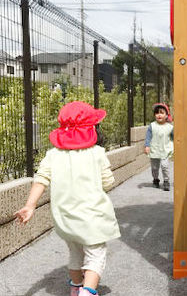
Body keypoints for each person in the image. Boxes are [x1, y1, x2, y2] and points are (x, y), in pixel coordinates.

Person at [14, 101, 120, 296]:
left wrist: (30, 205)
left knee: (75, 253)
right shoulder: (97, 153)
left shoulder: (53, 154)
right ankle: (87, 292)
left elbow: (41, 179)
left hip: (65, 218)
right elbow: (108, 182)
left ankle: (76, 287)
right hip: (92, 217)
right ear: (91, 129)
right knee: (95, 255)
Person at [144, 103, 173, 191]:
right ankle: (156, 179)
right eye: (157, 113)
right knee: (154, 167)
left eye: (161, 113)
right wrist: (147, 146)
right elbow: (148, 137)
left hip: (165, 149)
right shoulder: (152, 126)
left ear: (166, 115)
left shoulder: (170, 127)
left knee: (165, 166)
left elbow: (175, 137)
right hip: (154, 150)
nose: (159, 115)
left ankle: (166, 181)